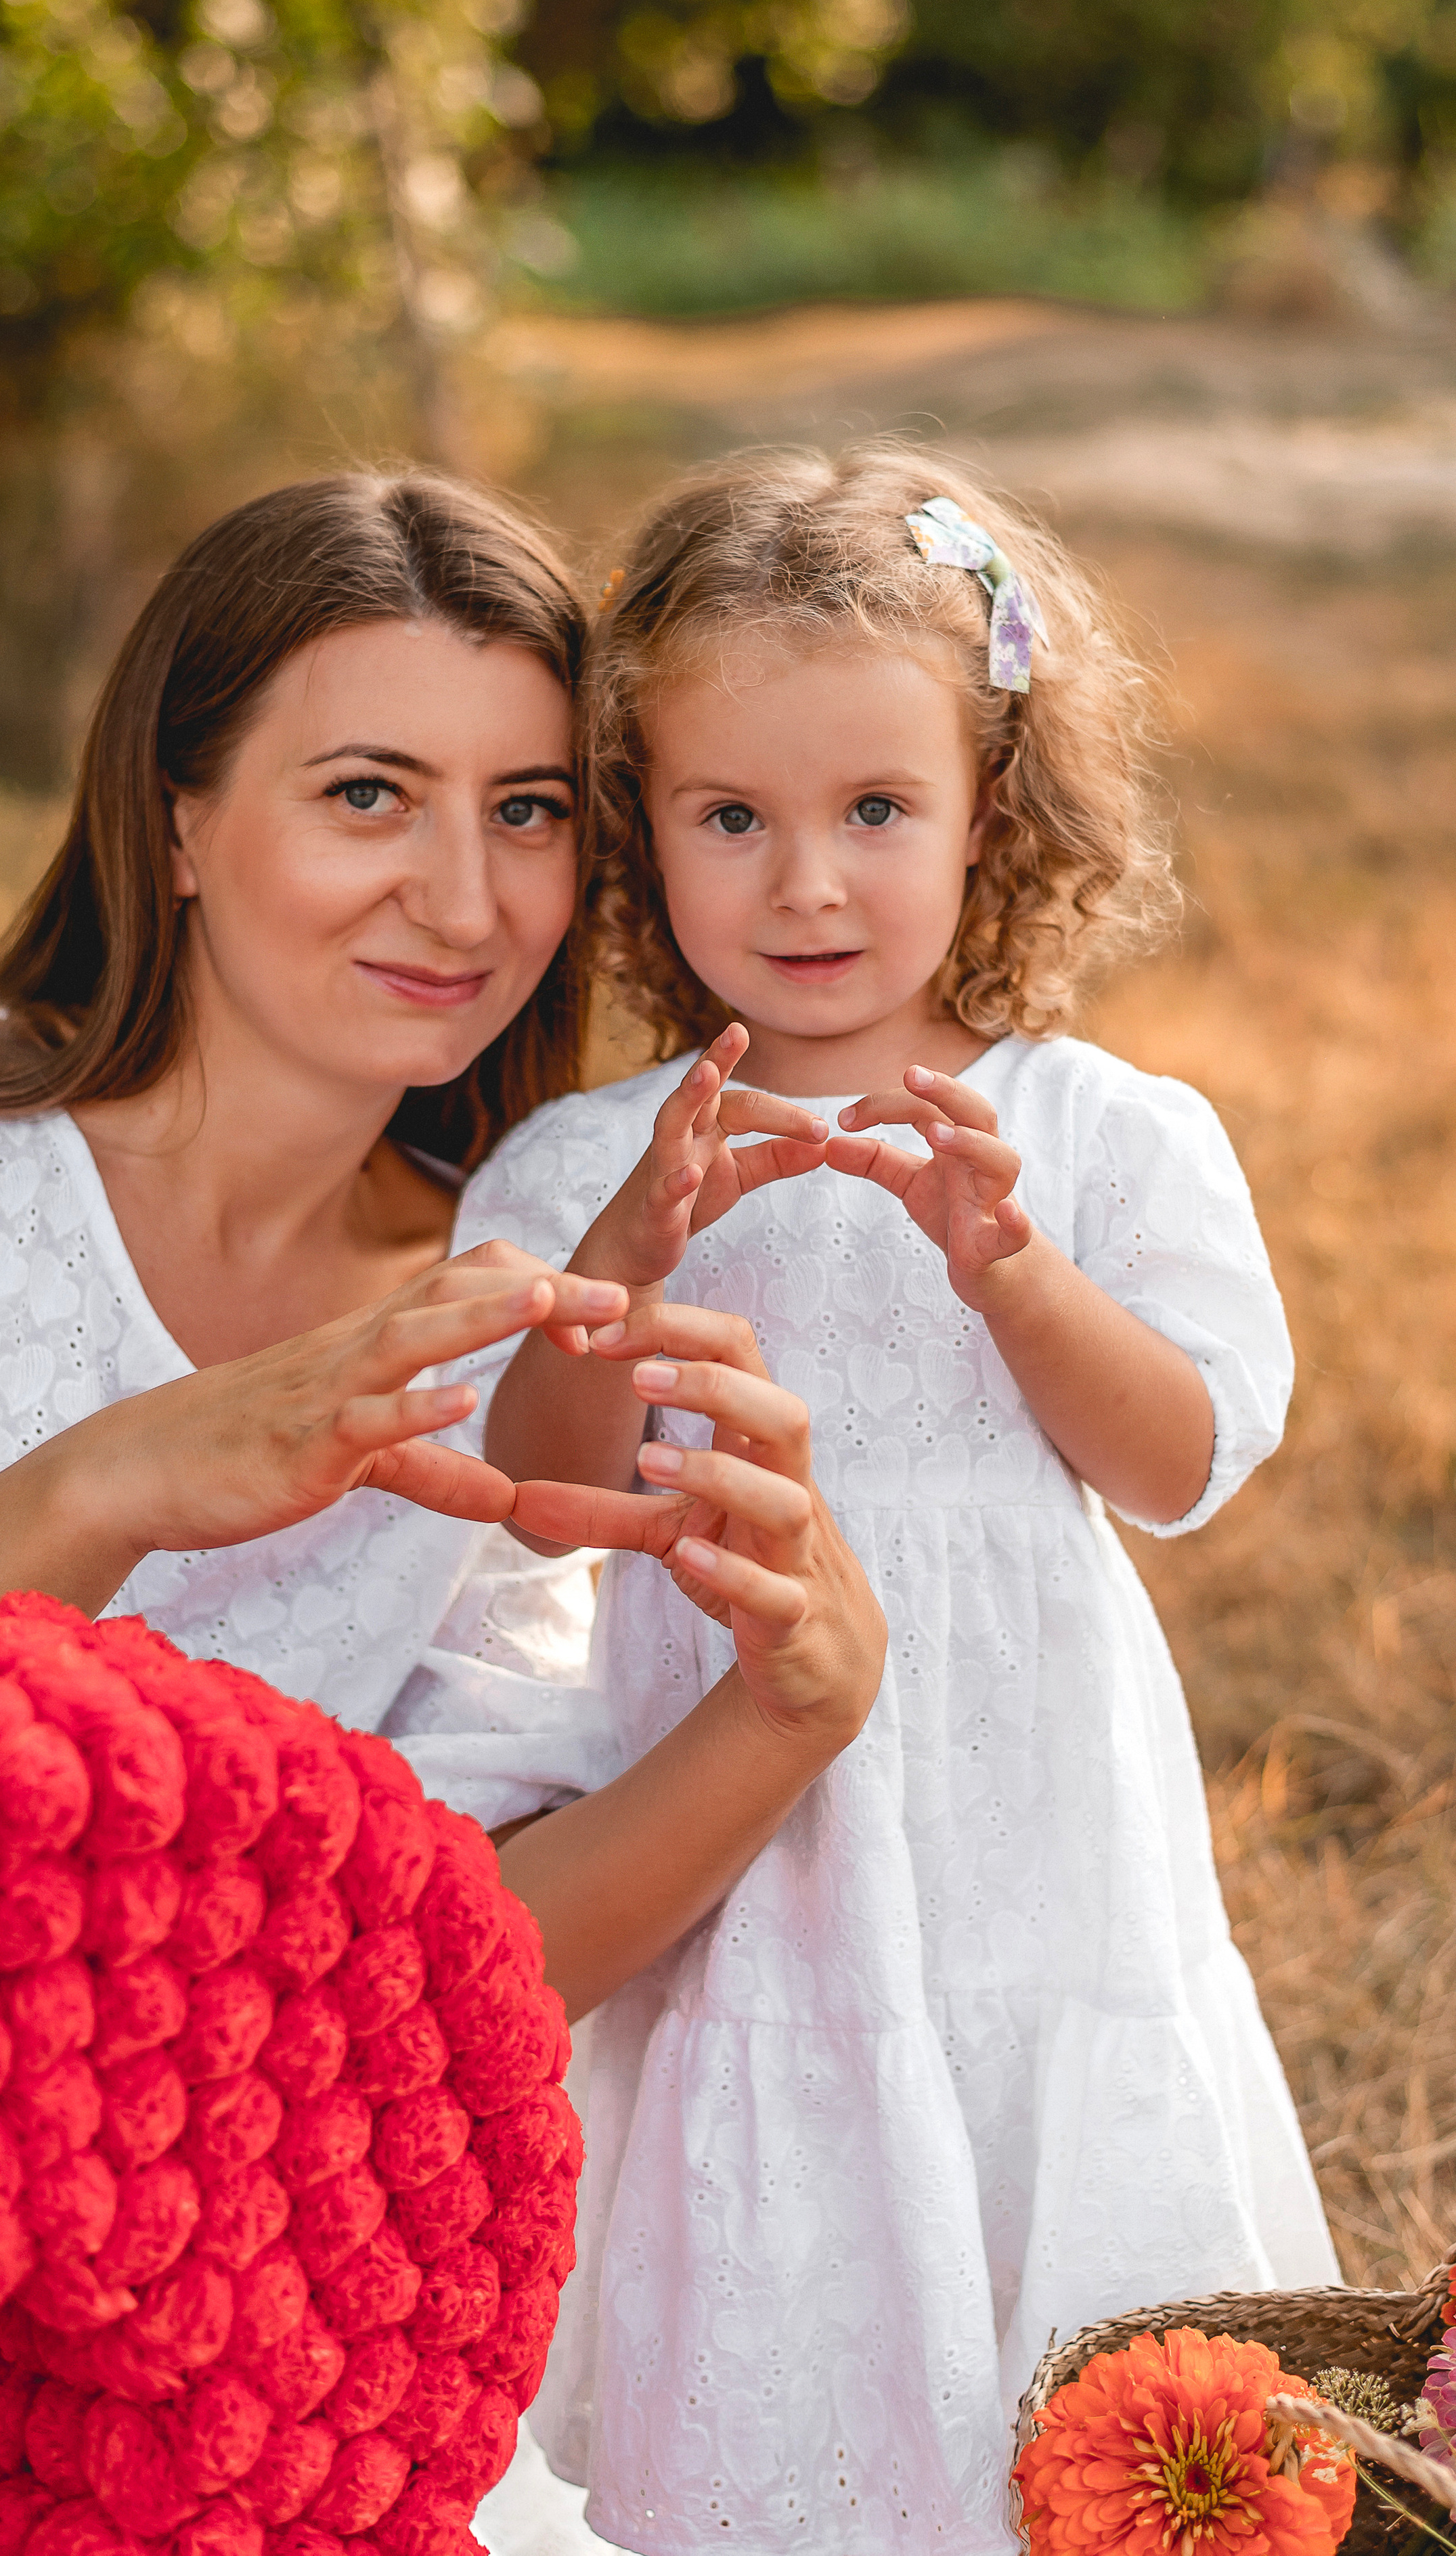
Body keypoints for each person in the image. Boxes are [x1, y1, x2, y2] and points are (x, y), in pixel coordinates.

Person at [0, 469, 852, 2534]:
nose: (461, 895)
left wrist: (783, 1717)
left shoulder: (514, 1309)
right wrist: (110, 1483)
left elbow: (442, 1972)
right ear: (175, 817)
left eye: (528, 813)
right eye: (365, 793)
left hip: (163, 2357)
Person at [460, 443, 1340, 2555]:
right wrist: (625, 1269)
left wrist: (1013, 1271)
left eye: (877, 812)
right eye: (731, 819)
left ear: (990, 813)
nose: (809, 886)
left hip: (1033, 1840)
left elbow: (1186, 1459)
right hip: (748, 1850)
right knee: (791, 2223)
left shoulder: (1096, 1128)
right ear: (642, 828)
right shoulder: (594, 1157)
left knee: (1057, 2263)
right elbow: (524, 1489)